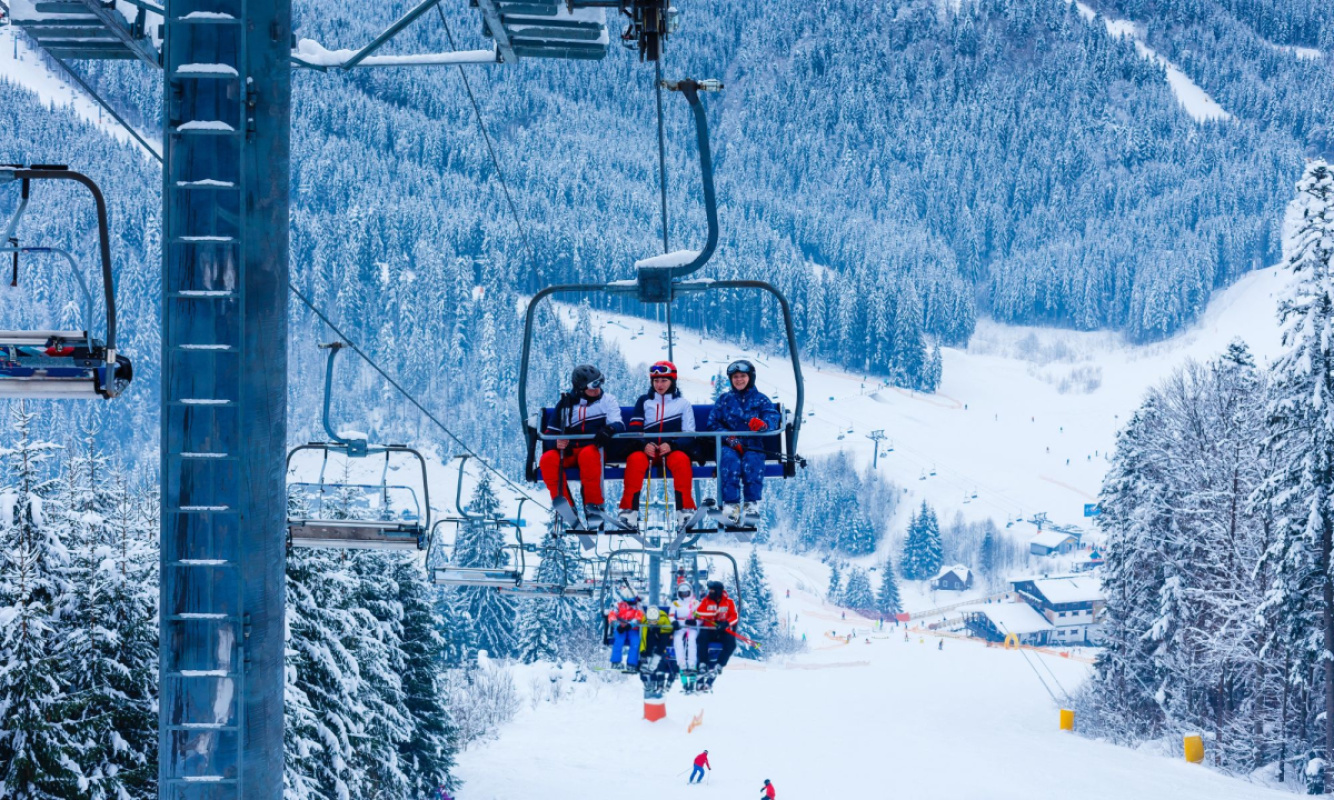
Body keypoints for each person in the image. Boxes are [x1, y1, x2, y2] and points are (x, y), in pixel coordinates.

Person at [539, 364, 624, 522]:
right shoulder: (566, 405)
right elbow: (550, 433)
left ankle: (594, 507)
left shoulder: (607, 400)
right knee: (547, 459)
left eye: (599, 384)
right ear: (580, 388)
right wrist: (556, 443)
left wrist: (609, 429)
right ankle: (566, 506)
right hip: (570, 451)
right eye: (593, 386)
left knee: (588, 455)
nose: (597, 389)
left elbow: (618, 423)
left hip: (593, 449)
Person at [618, 360, 698, 528]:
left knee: (681, 461)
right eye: (656, 381)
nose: (659, 385)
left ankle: (685, 511)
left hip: (671, 450)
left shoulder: (682, 404)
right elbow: (635, 429)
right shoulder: (644, 401)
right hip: (647, 451)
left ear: (672, 381)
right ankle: (628, 511)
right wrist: (643, 445)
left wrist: (672, 445)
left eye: (664, 380)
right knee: (635, 460)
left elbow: (689, 434)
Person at [707, 360, 781, 523]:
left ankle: (750, 504)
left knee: (752, 460)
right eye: (735, 377)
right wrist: (728, 437)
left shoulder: (760, 400)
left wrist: (763, 425)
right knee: (729, 460)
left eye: (742, 376)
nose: (739, 380)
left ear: (750, 378)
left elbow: (772, 416)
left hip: (752, 444)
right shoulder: (724, 400)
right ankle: (731, 505)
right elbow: (713, 423)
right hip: (729, 445)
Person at [694, 580, 740, 684]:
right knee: (701, 639)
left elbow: (734, 617)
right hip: (709, 629)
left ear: (718, 591)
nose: (710, 592)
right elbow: (699, 613)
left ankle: (720, 664)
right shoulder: (706, 601)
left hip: (722, 630)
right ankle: (703, 663)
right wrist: (713, 616)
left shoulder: (729, 602)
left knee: (731, 643)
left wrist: (726, 623)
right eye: (709, 590)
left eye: (712, 590)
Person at [606, 588, 644, 670]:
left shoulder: (638, 606)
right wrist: (616, 625)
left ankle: (631, 664)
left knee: (635, 642)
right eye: (631, 601)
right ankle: (616, 662)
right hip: (621, 627)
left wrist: (631, 624)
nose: (633, 602)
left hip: (633, 628)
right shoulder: (617, 605)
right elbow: (612, 615)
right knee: (619, 641)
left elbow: (640, 617)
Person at [671, 582, 700, 674]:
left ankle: (692, 663)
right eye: (682, 593)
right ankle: (681, 663)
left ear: (690, 592)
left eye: (686, 593)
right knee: (677, 639)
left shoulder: (695, 603)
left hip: (691, 626)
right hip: (680, 625)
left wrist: (695, 622)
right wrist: (673, 621)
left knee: (692, 639)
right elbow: (671, 615)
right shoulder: (675, 603)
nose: (684, 595)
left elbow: (700, 617)